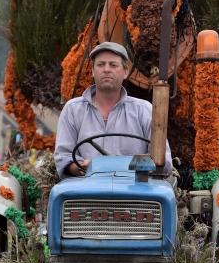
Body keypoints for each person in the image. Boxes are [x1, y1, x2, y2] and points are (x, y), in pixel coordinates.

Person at [54, 41, 173, 178]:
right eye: (100, 64)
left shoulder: (144, 110)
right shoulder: (73, 110)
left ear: (125, 72)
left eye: (113, 65)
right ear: (93, 71)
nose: (106, 69)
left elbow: (164, 162)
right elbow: (63, 157)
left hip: (134, 191)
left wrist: (134, 167)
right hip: (87, 190)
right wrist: (82, 167)